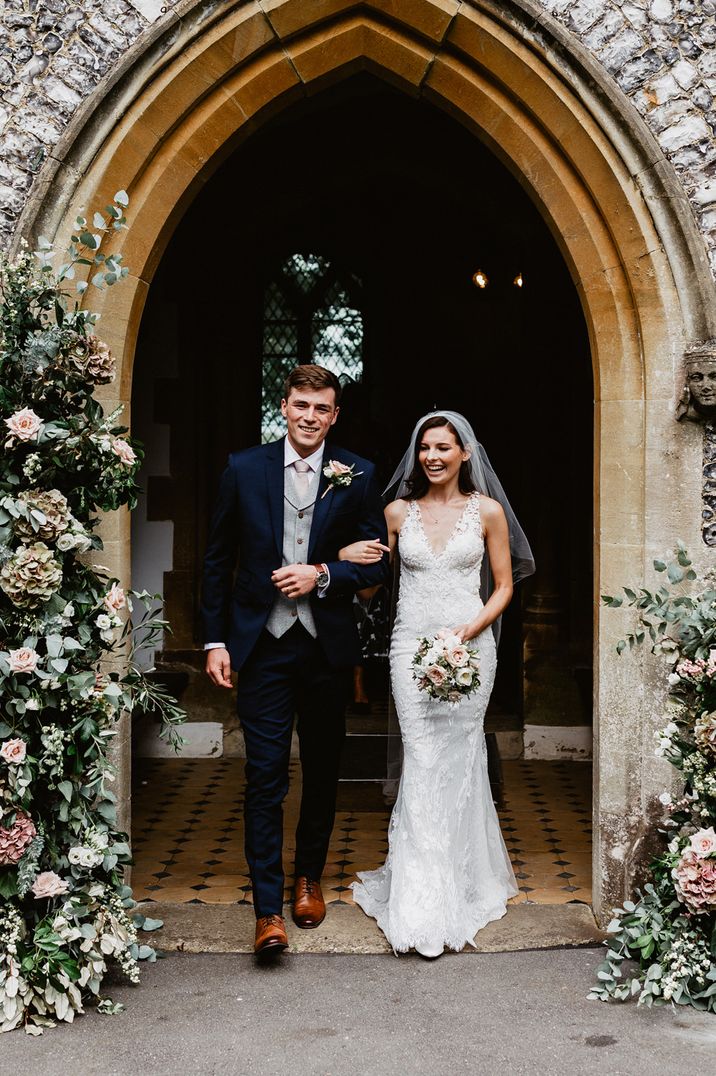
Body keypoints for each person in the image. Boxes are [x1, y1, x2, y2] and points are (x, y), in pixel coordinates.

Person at [200, 365, 389, 956]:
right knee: (264, 775)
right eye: (300, 405)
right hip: (262, 645)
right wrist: (214, 641)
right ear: (283, 406)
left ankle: (309, 878)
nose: (310, 417)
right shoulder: (243, 468)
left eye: (321, 408)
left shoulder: (357, 474)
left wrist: (324, 572)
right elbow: (216, 560)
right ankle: (265, 910)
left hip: (326, 647)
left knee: (325, 768)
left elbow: (379, 565)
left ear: (335, 416)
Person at [339, 411, 535, 958]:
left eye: (444, 447)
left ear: (465, 453)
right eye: (425, 447)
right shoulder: (397, 512)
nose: (432, 456)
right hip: (409, 647)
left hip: (472, 646)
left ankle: (464, 879)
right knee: (423, 759)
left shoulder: (489, 512)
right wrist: (344, 560)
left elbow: (502, 587)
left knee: (461, 753)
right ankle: (421, 898)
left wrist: (469, 631)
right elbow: (370, 587)